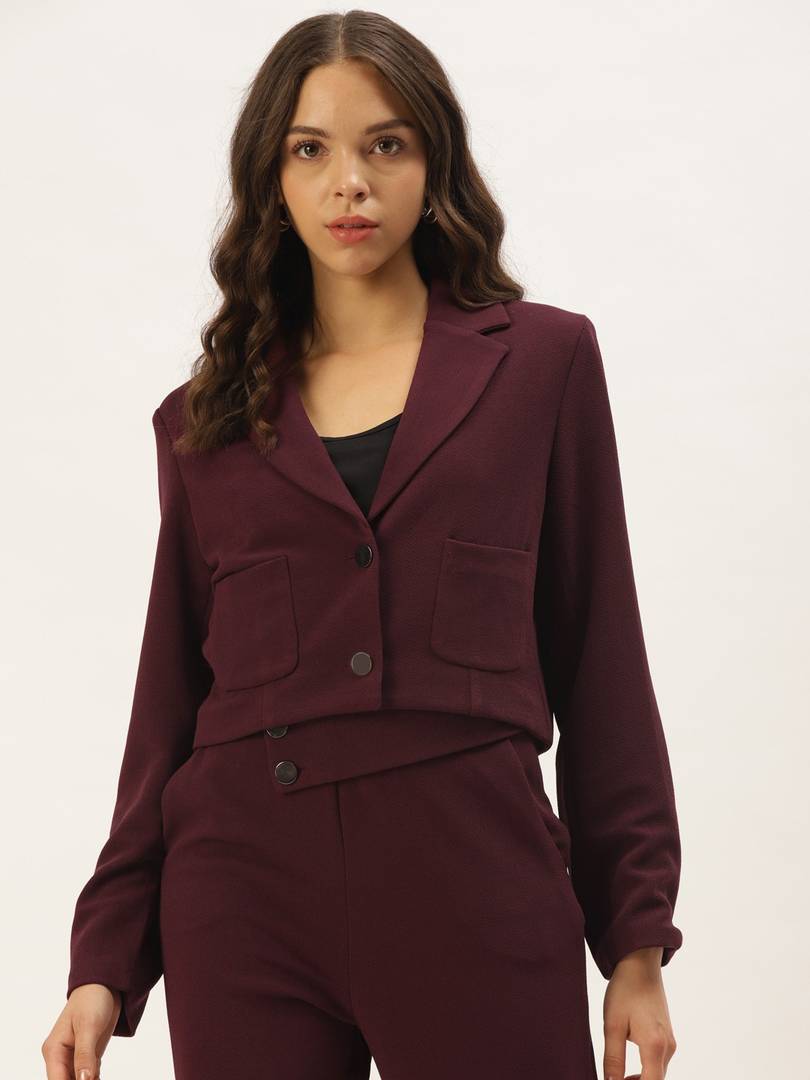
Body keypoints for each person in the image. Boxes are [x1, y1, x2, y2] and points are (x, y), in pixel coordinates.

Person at [42, 11, 683, 1080]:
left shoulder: (543, 366)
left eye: (386, 144)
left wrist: (636, 939)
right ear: (272, 181)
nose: (351, 183)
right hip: (242, 903)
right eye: (311, 150)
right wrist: (104, 963)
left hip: (476, 876)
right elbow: (168, 705)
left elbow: (600, 656)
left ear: (434, 165)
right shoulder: (204, 420)